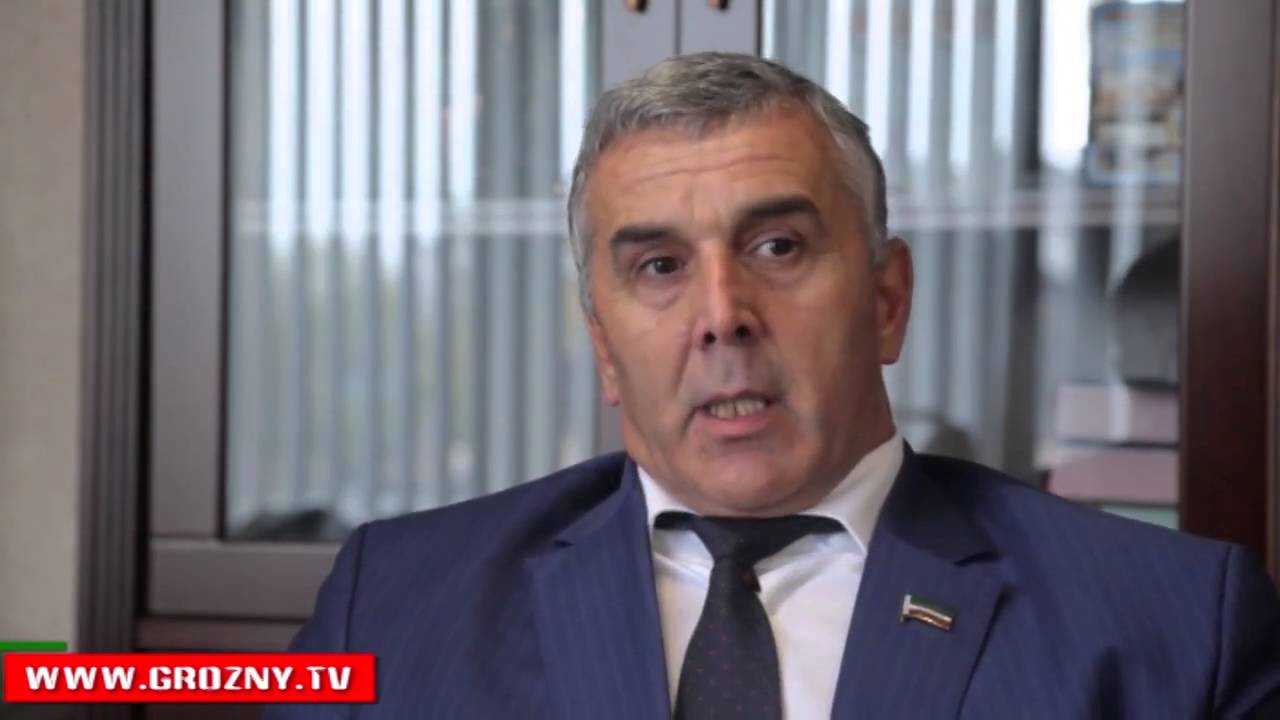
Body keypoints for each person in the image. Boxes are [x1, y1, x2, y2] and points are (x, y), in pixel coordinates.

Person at [266, 53, 1280, 719]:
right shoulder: (393, 605)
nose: (723, 313)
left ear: (886, 300)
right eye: (659, 266)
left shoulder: (1172, 626)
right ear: (604, 346)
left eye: (777, 247)